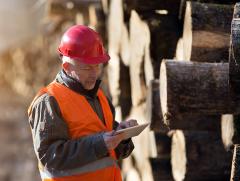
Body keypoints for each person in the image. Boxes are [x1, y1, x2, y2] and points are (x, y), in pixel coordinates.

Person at [27, 25, 138, 181]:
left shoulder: (100, 97)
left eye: (97, 66)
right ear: (66, 66)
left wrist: (122, 136)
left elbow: (110, 154)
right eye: (87, 68)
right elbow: (51, 156)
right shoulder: (49, 101)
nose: (94, 73)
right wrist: (99, 144)